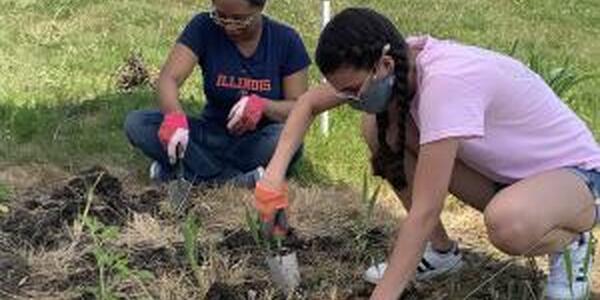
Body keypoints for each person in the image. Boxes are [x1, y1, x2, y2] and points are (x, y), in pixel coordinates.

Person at [253, 7, 600, 300]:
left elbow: (425, 209)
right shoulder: (401, 61)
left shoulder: (446, 84)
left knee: (508, 226)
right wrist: (274, 176)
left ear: (384, 65)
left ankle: (571, 240)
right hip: (508, 178)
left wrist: (384, 295)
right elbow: (310, 102)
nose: (350, 100)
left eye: (352, 91)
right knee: (378, 129)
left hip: (576, 179)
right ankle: (442, 252)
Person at [124, 0, 310, 187]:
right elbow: (168, 79)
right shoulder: (204, 26)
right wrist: (174, 117)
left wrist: (263, 105)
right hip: (211, 134)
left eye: (239, 20)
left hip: (257, 141)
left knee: (285, 139)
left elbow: (300, 108)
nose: (229, 26)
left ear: (260, 7)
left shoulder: (286, 40)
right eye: (220, 16)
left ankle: (189, 172)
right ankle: (231, 180)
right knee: (138, 123)